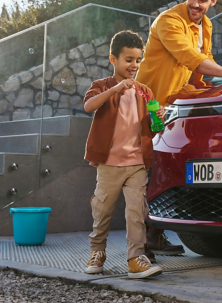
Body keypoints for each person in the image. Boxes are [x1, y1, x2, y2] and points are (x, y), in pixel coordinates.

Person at [135, 0, 222, 255]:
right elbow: (190, 58)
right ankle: (139, 242)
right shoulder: (169, 21)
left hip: (175, 106)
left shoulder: (205, 25)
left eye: (202, 0)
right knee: (143, 170)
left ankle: (152, 235)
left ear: (213, 2)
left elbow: (198, 71)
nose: (195, 4)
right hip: (146, 105)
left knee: (162, 168)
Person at [82, 30, 165, 279]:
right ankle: (97, 252)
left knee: (136, 211)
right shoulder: (102, 86)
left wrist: (158, 118)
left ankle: (136, 258)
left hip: (137, 162)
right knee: (103, 210)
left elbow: (148, 128)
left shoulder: (145, 91)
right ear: (113, 59)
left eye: (138, 60)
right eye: (128, 60)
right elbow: (89, 106)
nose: (134, 65)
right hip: (109, 163)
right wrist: (116, 88)